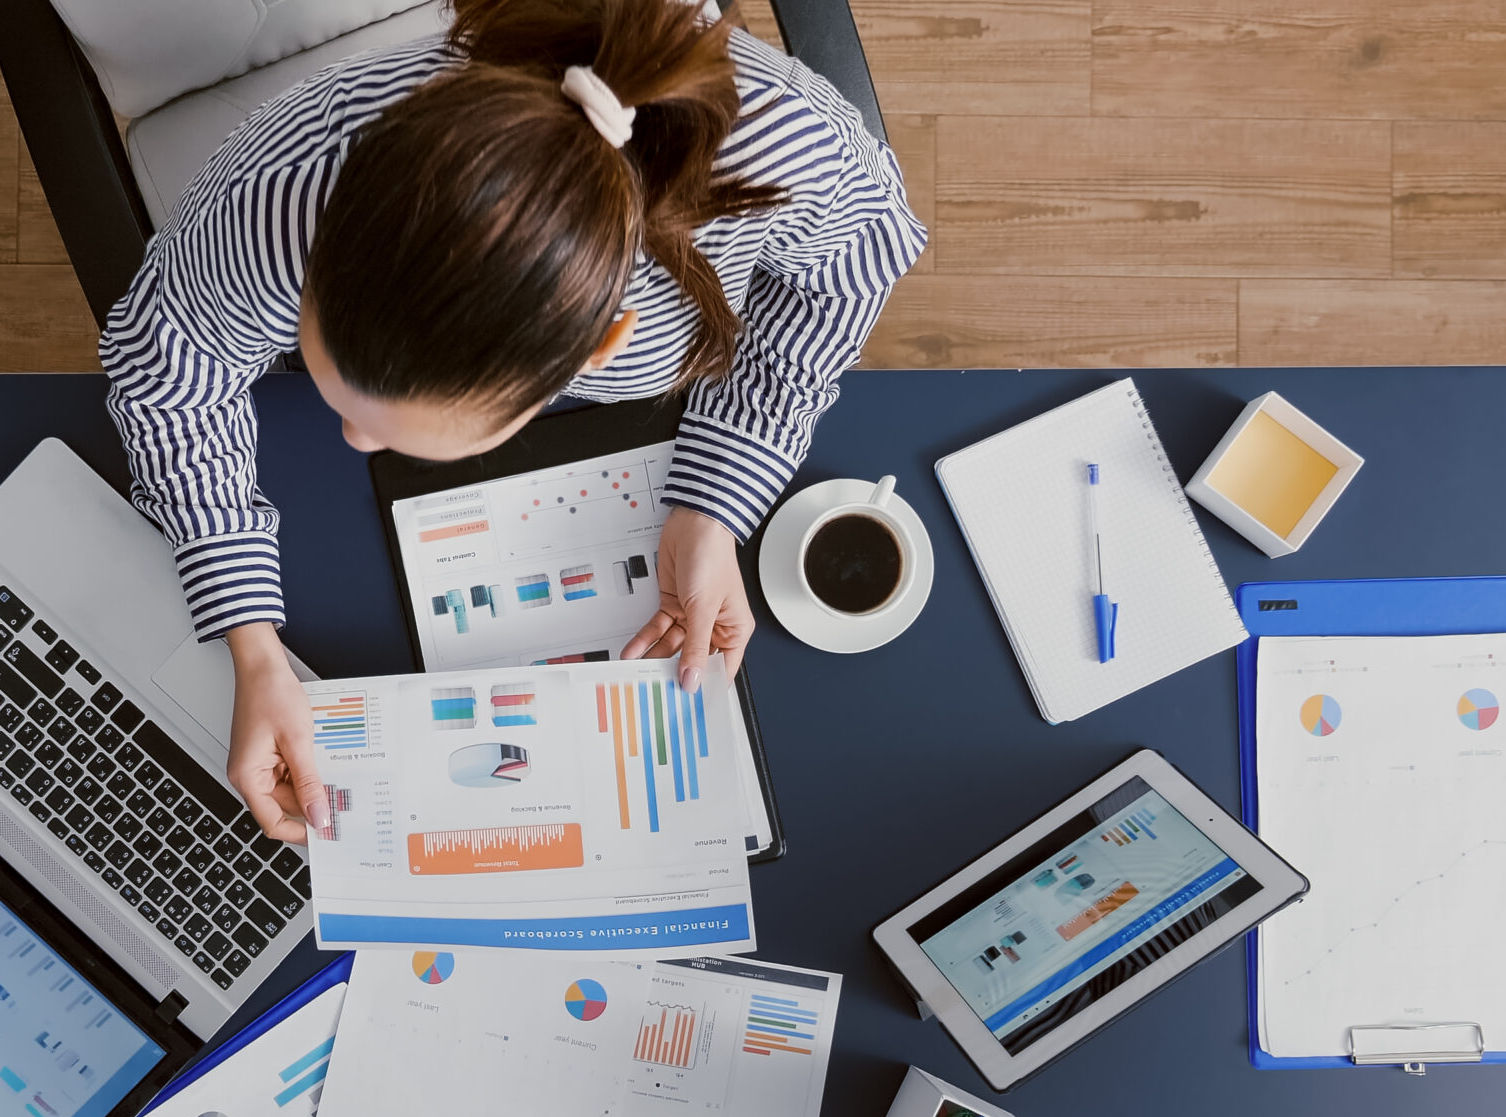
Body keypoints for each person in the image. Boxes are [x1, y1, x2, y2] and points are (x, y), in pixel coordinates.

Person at [100, 0, 926, 843]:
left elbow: (856, 267)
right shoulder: (283, 197)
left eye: (396, 426)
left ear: (600, 346)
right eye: (337, 385)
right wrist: (251, 642)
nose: (353, 440)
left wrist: (717, 498)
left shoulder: (789, 151)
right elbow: (164, 369)